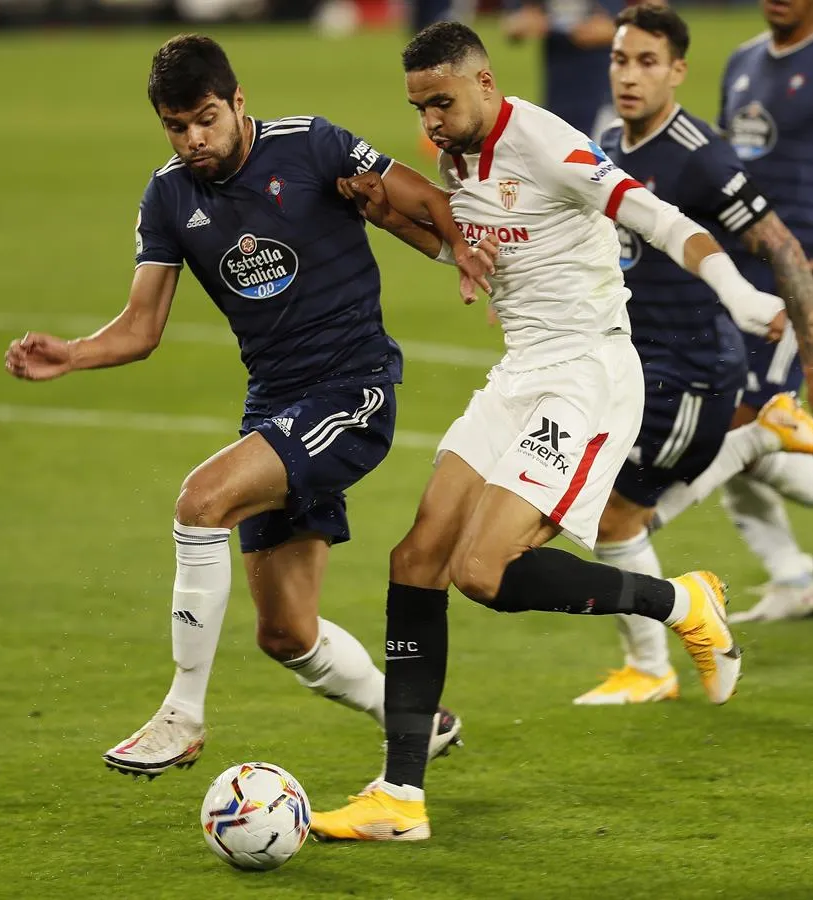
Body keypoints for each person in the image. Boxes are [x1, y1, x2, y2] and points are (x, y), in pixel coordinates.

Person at [308, 21, 807, 842]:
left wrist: (734, 290)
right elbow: (478, 252)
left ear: (485, 84)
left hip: (586, 376)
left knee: (482, 570)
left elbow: (652, 215)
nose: (429, 121)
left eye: (441, 101)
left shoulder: (543, 140)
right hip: (521, 371)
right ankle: (399, 797)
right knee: (416, 558)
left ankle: (679, 601)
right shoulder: (455, 155)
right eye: (418, 106)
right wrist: (389, 220)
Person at [3, 34, 497, 778]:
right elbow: (141, 329)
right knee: (286, 633)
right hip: (274, 404)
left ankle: (182, 714)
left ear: (238, 102)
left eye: (206, 118)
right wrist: (72, 353)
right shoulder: (168, 194)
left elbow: (425, 198)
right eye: (176, 126)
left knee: (200, 500)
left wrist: (462, 250)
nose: (194, 140)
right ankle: (415, 718)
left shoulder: (313, 145)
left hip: (350, 391)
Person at [572, 5, 813, 705]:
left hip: (705, 350)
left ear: (675, 70)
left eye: (646, 62)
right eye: (620, 59)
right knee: (621, 508)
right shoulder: (609, 136)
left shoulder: (697, 152)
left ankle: (652, 664)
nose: (628, 75)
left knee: (615, 517)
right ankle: (786, 571)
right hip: (646, 350)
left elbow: (773, 240)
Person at [645, 0, 813, 623]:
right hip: (740, 277)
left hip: (800, 273)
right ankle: (791, 574)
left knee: (751, 423)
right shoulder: (743, 60)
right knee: (734, 424)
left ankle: (646, 525)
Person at [502, 0, 627, 139]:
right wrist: (529, 21)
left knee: (602, 151)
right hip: (558, 91)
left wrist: (609, 29)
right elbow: (514, 24)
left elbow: (631, 21)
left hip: (602, 91)